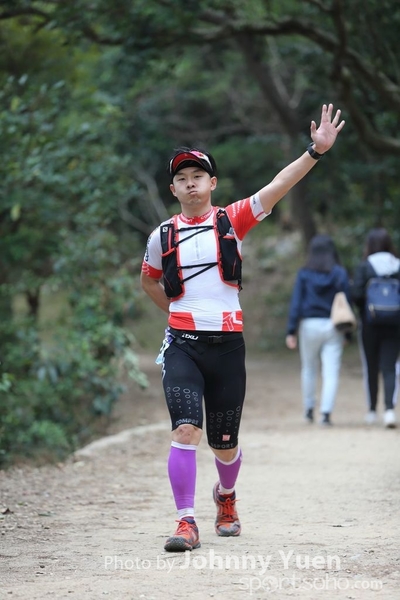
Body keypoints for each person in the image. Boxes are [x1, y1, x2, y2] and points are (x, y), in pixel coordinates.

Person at [140, 104, 345, 552]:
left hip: (228, 346)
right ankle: (185, 522)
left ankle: (226, 496)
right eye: (181, 178)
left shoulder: (231, 219)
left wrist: (315, 151)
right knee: (185, 430)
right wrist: (176, 313)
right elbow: (149, 280)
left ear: (212, 183)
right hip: (182, 345)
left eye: (198, 175)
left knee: (224, 443)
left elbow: (278, 185)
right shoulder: (161, 236)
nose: (190, 183)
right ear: (173, 189)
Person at [285, 235, 351, 426]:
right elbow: (346, 304)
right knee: (331, 371)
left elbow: (296, 302)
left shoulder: (304, 273)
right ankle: (326, 414)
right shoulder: (339, 273)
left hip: (309, 325)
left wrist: (291, 331)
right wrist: (347, 333)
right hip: (333, 326)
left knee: (308, 368)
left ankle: (308, 410)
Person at [351, 228, 400, 428]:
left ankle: (372, 410)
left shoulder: (365, 266)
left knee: (371, 367)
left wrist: (366, 308)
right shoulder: (397, 265)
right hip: (395, 324)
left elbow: (356, 294)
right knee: (389, 367)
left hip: (370, 324)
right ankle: (389, 410)